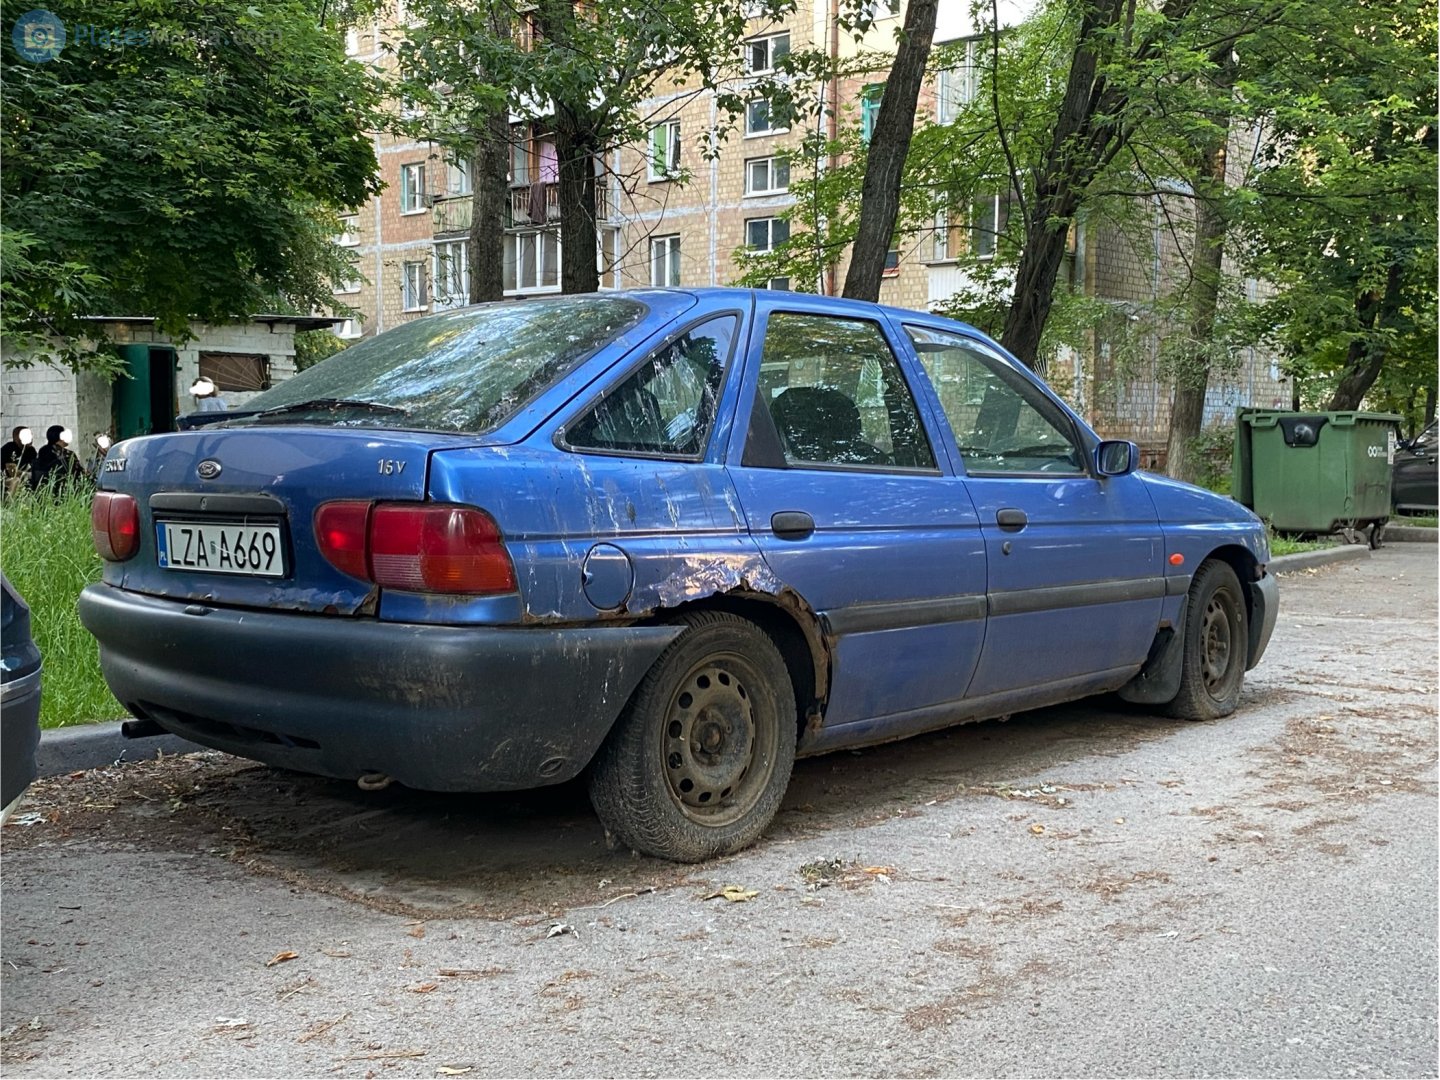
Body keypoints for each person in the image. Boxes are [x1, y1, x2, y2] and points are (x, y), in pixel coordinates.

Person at [28, 425, 86, 496]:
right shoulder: (68, 454)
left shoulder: (42, 450)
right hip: (64, 490)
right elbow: (79, 473)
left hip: (43, 490)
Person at [2, 427, 37, 497]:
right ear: (16, 437)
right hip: (5, 479)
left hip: (25, 479)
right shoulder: (9, 448)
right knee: (15, 481)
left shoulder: (31, 450)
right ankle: (8, 505)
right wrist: (29, 474)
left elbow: (36, 468)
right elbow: (12, 473)